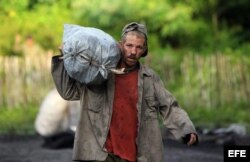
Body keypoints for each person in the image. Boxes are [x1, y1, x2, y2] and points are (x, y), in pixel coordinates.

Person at [51, 22, 198, 162]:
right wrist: (63, 60)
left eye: (139, 47)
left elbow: (169, 106)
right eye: (129, 45)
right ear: (120, 45)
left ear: (145, 49)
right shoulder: (99, 74)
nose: (133, 52)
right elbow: (67, 92)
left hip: (135, 154)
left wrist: (186, 129)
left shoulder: (149, 79)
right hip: (100, 153)